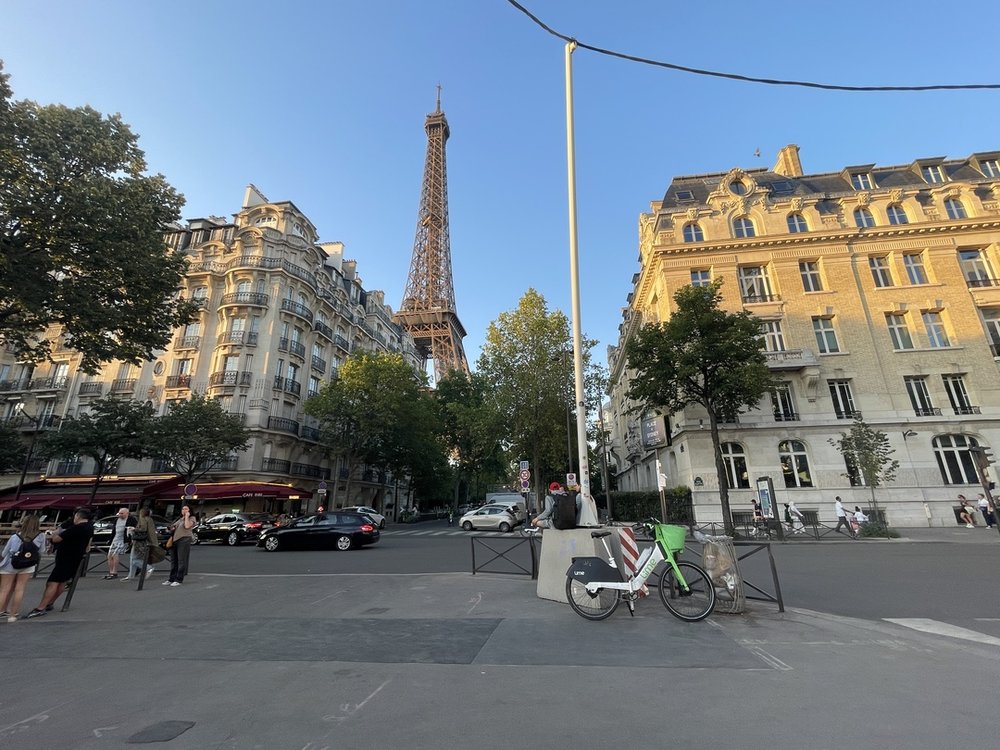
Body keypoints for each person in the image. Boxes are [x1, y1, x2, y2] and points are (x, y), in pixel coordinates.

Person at [26, 507, 94, 618]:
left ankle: (41, 607)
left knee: (52, 582)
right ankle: (50, 602)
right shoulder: (90, 527)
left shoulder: (76, 528)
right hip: (75, 558)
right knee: (62, 582)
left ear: (78, 516)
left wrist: (53, 534)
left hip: (66, 558)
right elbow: (88, 545)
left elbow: (56, 539)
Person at [0, 515, 47, 622]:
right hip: (28, 565)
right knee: (20, 589)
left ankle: (1, 611)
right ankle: (13, 615)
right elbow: (41, 551)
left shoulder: (15, 536)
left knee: (4, 590)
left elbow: (4, 553)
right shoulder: (41, 536)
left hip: (11, 564)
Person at [123, 508, 161, 581]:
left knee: (133, 559)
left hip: (140, 542)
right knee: (134, 558)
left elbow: (143, 529)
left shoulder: (143, 519)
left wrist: (133, 529)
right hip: (149, 542)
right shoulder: (150, 519)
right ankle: (131, 575)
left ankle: (148, 568)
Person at [165, 504, 196, 587]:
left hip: (184, 540)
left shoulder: (192, 518)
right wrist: (171, 528)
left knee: (181, 560)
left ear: (189, 511)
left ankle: (179, 579)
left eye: (186, 509)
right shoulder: (180, 519)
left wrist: (187, 516)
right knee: (174, 560)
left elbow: (187, 526)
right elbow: (173, 527)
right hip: (175, 540)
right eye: (183, 509)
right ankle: (171, 578)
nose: (184, 510)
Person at [104, 507, 136, 580]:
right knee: (109, 555)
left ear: (127, 514)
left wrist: (131, 537)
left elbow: (136, 528)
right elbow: (114, 531)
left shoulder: (131, 519)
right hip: (115, 539)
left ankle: (114, 572)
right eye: (119, 513)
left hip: (124, 540)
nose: (120, 515)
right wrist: (110, 540)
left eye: (122, 513)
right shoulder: (116, 520)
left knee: (115, 554)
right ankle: (111, 572)